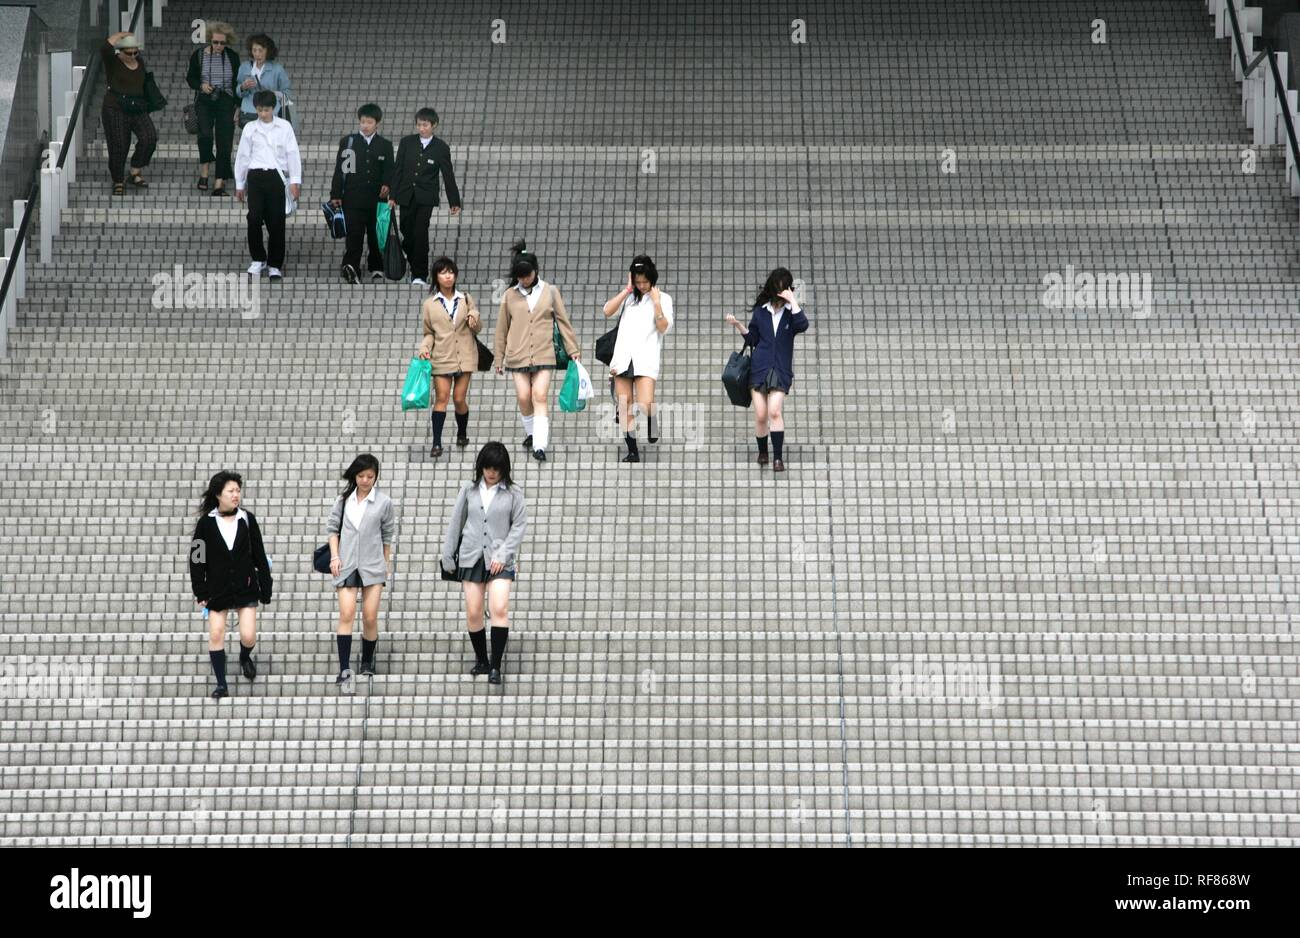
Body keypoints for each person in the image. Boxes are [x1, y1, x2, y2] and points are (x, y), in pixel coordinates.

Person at [441, 442, 526, 685]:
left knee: (499, 608)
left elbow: (519, 527)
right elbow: (456, 523)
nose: (491, 473)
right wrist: (448, 556)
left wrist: (503, 555)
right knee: (474, 611)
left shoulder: (513, 493)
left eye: (497, 469)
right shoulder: (468, 489)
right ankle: (481, 660)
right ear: (481, 466)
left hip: (501, 560)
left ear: (504, 469)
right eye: (488, 467)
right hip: (471, 555)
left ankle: (496, 666)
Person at [493, 239, 581, 462]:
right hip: (517, 354)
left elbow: (563, 321)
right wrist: (498, 358)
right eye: (520, 276)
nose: (524, 280)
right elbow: (501, 328)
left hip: (544, 352)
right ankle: (532, 434)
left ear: (536, 271)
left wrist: (573, 349)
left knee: (539, 396)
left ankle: (540, 445)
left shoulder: (550, 291)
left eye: (528, 275)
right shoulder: (509, 295)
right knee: (524, 397)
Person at [189, 471, 272, 699]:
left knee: (248, 635)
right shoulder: (205, 524)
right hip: (218, 589)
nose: (236, 495)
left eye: (238, 490)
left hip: (245, 585)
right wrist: (200, 590)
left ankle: (245, 656)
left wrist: (266, 585)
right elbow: (197, 559)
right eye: (231, 491)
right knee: (216, 633)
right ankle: (221, 684)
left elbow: (260, 555)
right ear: (218, 495)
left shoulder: (247, 519)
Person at [725, 267, 810, 473]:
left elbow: (803, 325)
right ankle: (763, 451)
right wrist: (738, 325)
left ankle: (778, 458)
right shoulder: (761, 311)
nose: (780, 295)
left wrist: (793, 300)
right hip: (759, 368)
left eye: (784, 290)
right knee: (761, 415)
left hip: (780, 370)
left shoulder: (792, 313)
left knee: (774, 411)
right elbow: (753, 339)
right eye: (778, 290)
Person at [325, 454, 396, 693]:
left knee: (370, 616)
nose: (365, 480)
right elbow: (332, 529)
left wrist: (386, 563)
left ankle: (367, 659)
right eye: (361, 476)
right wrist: (335, 556)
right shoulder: (343, 500)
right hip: (346, 564)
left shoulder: (383, 502)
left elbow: (387, 535)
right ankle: (344, 668)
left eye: (370, 476)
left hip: (373, 564)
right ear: (354, 476)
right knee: (346, 614)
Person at [601, 255, 673, 462]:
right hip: (623, 358)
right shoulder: (630, 297)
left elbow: (664, 328)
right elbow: (607, 311)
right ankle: (632, 451)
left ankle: (652, 419)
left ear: (652, 279)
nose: (641, 286)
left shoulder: (664, 298)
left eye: (645, 282)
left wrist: (657, 303)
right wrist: (626, 290)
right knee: (624, 405)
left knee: (645, 402)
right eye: (638, 281)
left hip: (645, 359)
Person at [389, 107, 461, 287]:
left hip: (426, 198)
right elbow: (398, 169)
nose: (422, 128)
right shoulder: (407, 143)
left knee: (420, 233)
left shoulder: (441, 147)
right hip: (405, 195)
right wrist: (393, 195)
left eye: (425, 125)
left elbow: (448, 175)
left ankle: (419, 274)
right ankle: (410, 257)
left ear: (434, 125)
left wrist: (454, 202)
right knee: (407, 230)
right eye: (419, 124)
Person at [416, 257, 481, 457]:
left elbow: (477, 329)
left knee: (459, 398)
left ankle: (461, 432)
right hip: (441, 356)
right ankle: (437, 443)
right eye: (443, 272)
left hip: (464, 356)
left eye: (451, 272)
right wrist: (424, 347)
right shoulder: (429, 304)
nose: (448, 276)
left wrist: (474, 318)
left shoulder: (466, 299)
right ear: (436, 276)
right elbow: (429, 332)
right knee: (442, 398)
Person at [234, 90, 302, 280]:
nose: (263, 113)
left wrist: (295, 181)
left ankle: (274, 265)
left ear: (274, 108)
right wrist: (240, 183)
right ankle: (258, 259)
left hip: (276, 177)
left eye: (267, 110)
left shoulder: (284, 127)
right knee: (254, 218)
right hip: (255, 177)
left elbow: (292, 154)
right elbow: (243, 156)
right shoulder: (250, 128)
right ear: (255, 109)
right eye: (260, 110)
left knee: (276, 222)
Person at [329, 103, 395, 284]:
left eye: (369, 122)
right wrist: (336, 194)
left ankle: (377, 267)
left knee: (375, 235)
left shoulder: (385, 145)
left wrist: (388, 185)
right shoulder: (348, 142)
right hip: (352, 198)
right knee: (354, 235)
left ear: (377, 123)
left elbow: (390, 170)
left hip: (377, 199)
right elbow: (340, 170)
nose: (365, 125)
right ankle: (351, 268)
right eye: (363, 121)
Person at [100, 32, 158, 196]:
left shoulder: (139, 61)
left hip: (137, 106)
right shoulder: (113, 62)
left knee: (149, 137)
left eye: (135, 52)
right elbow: (105, 47)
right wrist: (121, 34)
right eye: (129, 53)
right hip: (115, 108)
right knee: (119, 145)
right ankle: (118, 180)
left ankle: (135, 170)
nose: (133, 56)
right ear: (120, 51)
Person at [185, 21, 240, 195]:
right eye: (215, 42)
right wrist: (201, 86)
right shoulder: (199, 55)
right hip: (205, 99)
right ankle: (204, 172)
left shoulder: (232, 56)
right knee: (205, 135)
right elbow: (190, 78)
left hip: (225, 99)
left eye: (222, 43)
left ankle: (219, 182)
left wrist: (237, 106)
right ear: (210, 40)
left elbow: (237, 81)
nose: (218, 46)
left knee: (225, 142)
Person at [236, 33, 293, 129]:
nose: (257, 54)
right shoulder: (245, 67)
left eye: (261, 51)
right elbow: (238, 92)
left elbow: (287, 92)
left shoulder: (277, 69)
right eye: (254, 50)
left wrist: (274, 93)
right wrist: (243, 87)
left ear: (268, 51)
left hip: (271, 112)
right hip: (249, 112)